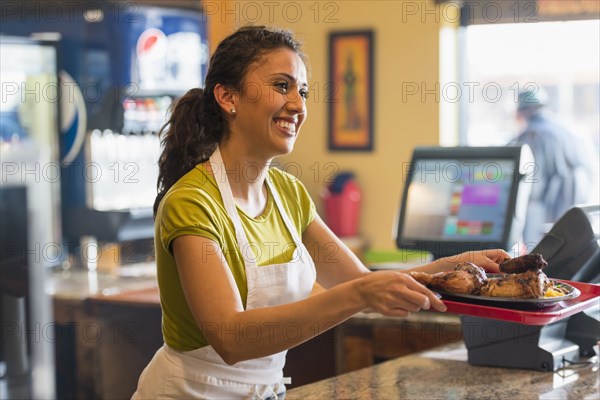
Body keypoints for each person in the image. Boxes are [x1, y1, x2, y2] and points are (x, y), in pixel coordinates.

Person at [132, 25, 510, 399]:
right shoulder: (192, 203)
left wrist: (457, 265)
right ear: (227, 96)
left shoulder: (288, 195)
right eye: (282, 86)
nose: (298, 105)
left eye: (302, 91)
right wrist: (361, 294)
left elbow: (360, 281)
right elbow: (232, 337)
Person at [510, 88, 595, 246]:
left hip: (548, 213)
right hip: (575, 212)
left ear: (521, 112)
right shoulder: (568, 130)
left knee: (538, 259)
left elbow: (533, 186)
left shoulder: (534, 134)